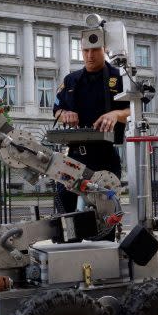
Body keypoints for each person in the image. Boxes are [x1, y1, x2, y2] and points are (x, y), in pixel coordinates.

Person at [52, 43, 131, 214]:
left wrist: (116, 114)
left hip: (105, 156)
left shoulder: (120, 77)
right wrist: (65, 113)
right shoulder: (71, 79)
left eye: (95, 50)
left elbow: (134, 109)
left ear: (105, 50)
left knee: (105, 214)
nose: (90, 55)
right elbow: (56, 110)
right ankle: (67, 240)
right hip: (74, 156)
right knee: (64, 211)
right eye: (85, 50)